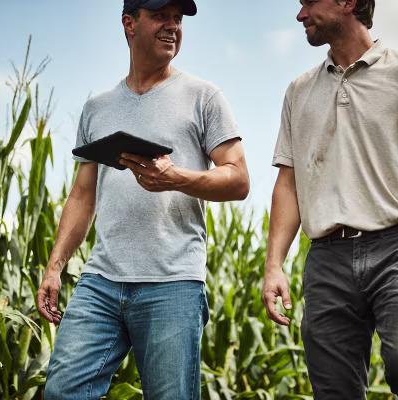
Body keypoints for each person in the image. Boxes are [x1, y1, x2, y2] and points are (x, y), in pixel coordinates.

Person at [38, 0, 249, 398]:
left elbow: (238, 179)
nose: (173, 26)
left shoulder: (203, 96)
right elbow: (83, 195)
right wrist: (55, 266)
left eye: (178, 18)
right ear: (129, 24)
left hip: (172, 283)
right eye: (161, 16)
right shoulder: (97, 108)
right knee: (62, 391)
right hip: (101, 280)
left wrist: (176, 178)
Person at [262, 0, 398, 398]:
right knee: (333, 390)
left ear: (347, 2)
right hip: (327, 257)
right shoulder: (299, 90)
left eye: (308, 3)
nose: (300, 15)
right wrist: (274, 266)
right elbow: (288, 184)